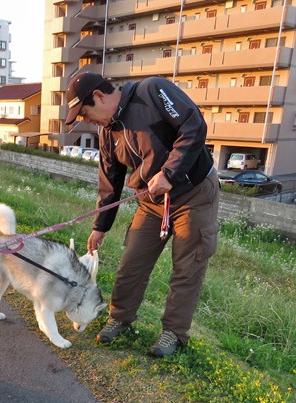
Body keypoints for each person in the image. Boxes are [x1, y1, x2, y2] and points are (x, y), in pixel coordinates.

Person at [64, 71, 219, 357]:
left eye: (85, 113)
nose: (87, 121)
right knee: (132, 261)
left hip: (193, 193)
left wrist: (170, 173)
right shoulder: (108, 132)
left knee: (187, 268)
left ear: (99, 96)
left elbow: (193, 125)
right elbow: (109, 180)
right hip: (151, 201)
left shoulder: (152, 92)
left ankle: (173, 334)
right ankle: (120, 318)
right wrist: (100, 226)